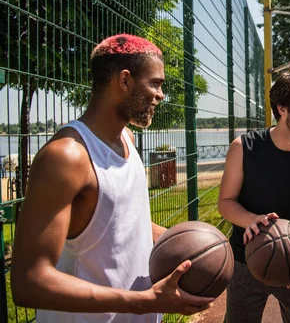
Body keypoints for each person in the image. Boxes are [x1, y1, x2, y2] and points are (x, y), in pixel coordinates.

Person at [11, 34, 214, 322]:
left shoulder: (127, 139)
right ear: (125, 81)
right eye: (155, 83)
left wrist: (199, 246)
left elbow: (125, 224)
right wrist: (143, 302)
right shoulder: (67, 157)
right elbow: (30, 282)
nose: (161, 95)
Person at [218, 69, 290, 323]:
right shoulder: (244, 148)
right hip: (246, 261)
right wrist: (250, 219)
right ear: (282, 109)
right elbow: (226, 203)